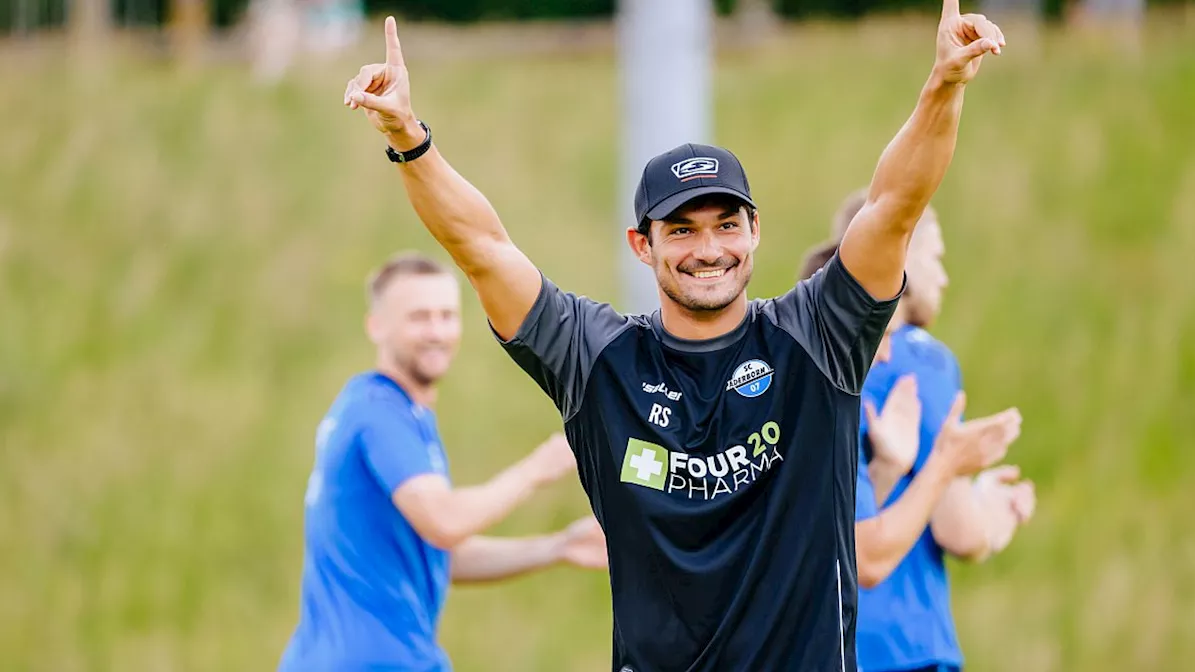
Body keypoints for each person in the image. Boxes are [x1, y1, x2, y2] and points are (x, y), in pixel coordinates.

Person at [341, 2, 1007, 668]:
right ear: (642, 245)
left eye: (725, 224)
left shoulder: (817, 339)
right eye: (682, 230)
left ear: (754, 232)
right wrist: (408, 137)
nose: (708, 248)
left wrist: (944, 83)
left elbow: (894, 206)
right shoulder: (597, 358)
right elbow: (481, 245)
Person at [278, 252, 608, 672]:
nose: (436, 331)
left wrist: (559, 546)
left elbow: (438, 552)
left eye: (446, 316)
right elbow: (445, 521)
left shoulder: (398, 413)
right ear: (376, 326)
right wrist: (538, 467)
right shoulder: (380, 411)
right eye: (419, 317)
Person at [823, 194, 1037, 672]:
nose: (944, 276)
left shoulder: (817, 358)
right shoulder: (921, 360)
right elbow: (958, 530)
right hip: (907, 649)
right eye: (936, 257)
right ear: (904, 255)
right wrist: (996, 519)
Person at [796, 242, 1020, 591]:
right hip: (894, 644)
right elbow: (868, 561)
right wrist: (949, 466)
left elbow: (826, 543)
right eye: (882, 335)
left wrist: (888, 468)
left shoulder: (818, 399)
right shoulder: (821, 412)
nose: (887, 355)